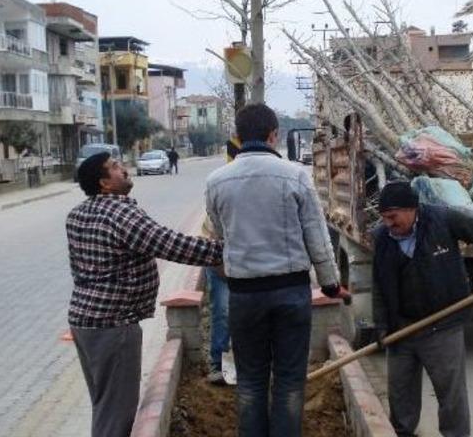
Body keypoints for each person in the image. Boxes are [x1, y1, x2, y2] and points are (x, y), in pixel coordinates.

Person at [205, 103, 350, 437]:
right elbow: (317, 236)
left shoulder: (216, 181)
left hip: (244, 297)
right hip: (290, 294)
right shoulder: (295, 175)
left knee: (251, 382)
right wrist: (330, 286)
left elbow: (221, 234)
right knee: (288, 382)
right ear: (274, 135)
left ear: (238, 138)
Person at [66, 152, 223, 437]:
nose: (124, 169)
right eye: (115, 168)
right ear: (104, 183)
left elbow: (77, 268)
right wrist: (222, 251)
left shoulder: (77, 214)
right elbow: (168, 244)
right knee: (117, 414)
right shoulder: (120, 213)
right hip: (114, 326)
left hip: (83, 322)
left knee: (104, 404)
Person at [371, 181, 473, 437]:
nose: (388, 223)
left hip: (443, 326)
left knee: (451, 398)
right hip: (402, 330)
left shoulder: (442, 220)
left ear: (412, 209)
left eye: (392, 217)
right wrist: (381, 324)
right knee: (400, 397)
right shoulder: (381, 237)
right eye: (384, 217)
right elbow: (379, 284)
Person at [202, 136, 242, 385]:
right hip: (221, 265)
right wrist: (223, 270)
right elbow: (211, 235)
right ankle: (218, 363)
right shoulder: (221, 184)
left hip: (248, 266)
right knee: (223, 312)